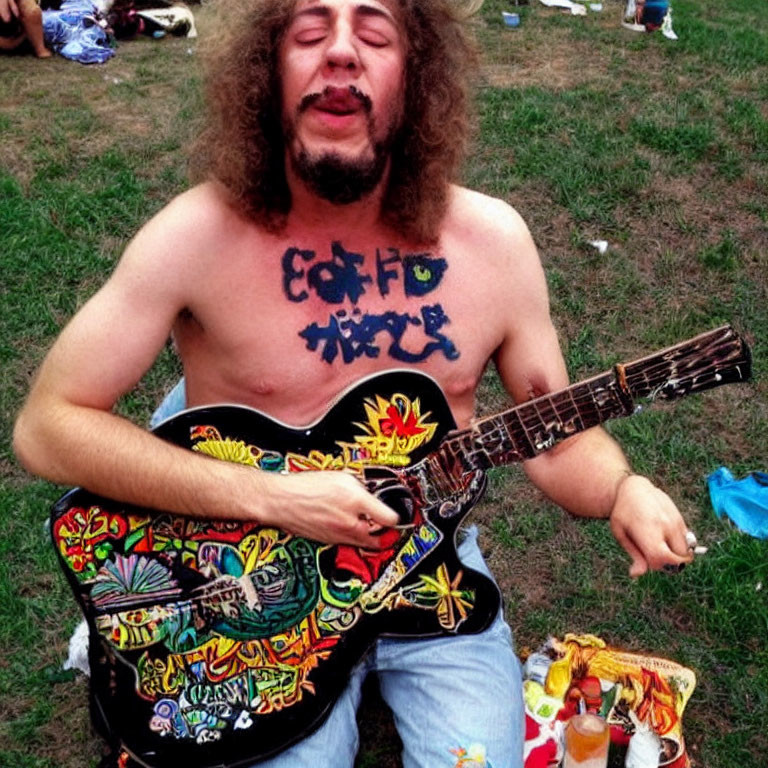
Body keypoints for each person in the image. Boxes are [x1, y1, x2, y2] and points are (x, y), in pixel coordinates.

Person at [13, 1, 695, 766]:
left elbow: (553, 431)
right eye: (309, 32)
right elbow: (49, 425)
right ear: (267, 75)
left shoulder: (492, 245)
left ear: (418, 78)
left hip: (430, 572)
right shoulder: (196, 238)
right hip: (247, 583)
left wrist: (620, 490)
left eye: (374, 34)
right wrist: (273, 499)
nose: (340, 51)